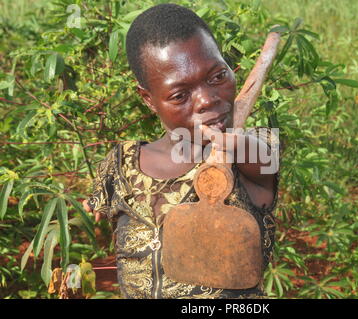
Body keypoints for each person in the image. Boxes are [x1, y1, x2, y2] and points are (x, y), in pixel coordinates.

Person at [83, 3, 279, 299]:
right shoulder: (122, 162)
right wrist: (86, 207)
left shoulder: (252, 152)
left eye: (217, 77)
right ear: (148, 99)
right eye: (180, 94)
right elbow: (93, 208)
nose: (206, 100)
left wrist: (231, 142)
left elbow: (264, 158)